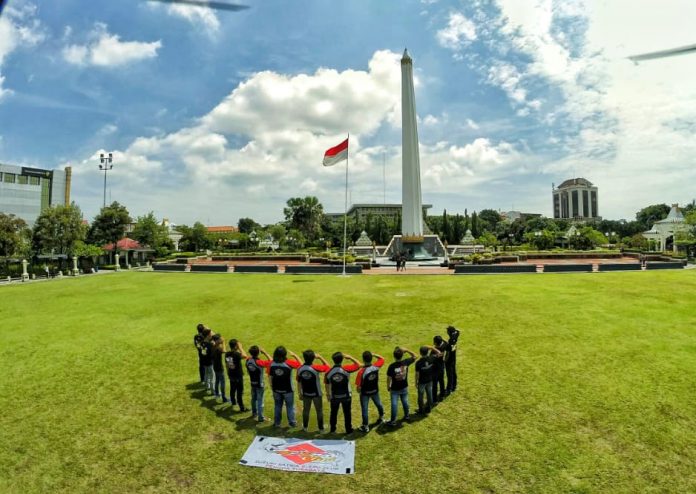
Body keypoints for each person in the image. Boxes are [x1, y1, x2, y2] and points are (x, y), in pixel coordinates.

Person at [324, 352, 361, 434]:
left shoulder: (328, 372)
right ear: (342, 360)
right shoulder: (346, 369)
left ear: (333, 360)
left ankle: (332, 430)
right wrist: (350, 357)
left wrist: (328, 395)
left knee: (333, 413)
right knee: (347, 413)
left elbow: (326, 384)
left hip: (334, 397)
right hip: (346, 396)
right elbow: (358, 365)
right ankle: (348, 430)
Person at [296, 350, 331, 432]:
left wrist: (299, 393)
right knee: (319, 411)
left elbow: (299, 382)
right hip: (316, 393)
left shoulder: (300, 369)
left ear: (304, 358)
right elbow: (328, 367)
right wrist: (320, 357)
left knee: (306, 410)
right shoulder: (316, 368)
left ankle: (304, 428)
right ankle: (321, 429)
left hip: (305, 393)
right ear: (313, 358)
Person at [269, 346, 302, 428]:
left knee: (277, 406)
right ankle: (292, 423)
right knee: (290, 406)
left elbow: (270, 377)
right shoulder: (289, 363)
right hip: (288, 390)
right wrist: (294, 355)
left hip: (276, 389)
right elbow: (301, 365)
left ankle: (277, 423)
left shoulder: (272, 363)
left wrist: (272, 388)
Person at [355, 350, 385, 432]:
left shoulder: (361, 372)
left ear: (363, 359)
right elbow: (382, 359)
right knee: (379, 404)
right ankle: (382, 417)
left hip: (365, 393)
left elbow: (358, 388)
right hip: (375, 391)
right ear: (371, 358)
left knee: (364, 409)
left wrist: (359, 391)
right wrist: (374, 354)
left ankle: (365, 426)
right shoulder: (376, 366)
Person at [386, 346, 417, 426]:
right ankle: (407, 416)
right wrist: (407, 350)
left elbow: (389, 378)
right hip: (404, 387)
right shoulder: (406, 362)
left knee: (394, 405)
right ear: (402, 355)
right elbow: (415, 356)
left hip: (395, 389)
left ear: (394, 356)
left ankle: (393, 421)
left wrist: (388, 386)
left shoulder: (391, 366)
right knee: (405, 402)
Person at [245, 345, 272, 423]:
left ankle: (254, 413)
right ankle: (260, 417)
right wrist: (265, 352)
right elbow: (271, 361)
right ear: (258, 353)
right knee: (260, 401)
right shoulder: (259, 362)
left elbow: (248, 371)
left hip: (252, 383)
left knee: (253, 399)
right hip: (259, 384)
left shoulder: (248, 360)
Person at [415, 345, 441, 414]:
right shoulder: (432, 358)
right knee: (429, 394)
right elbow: (439, 353)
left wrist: (416, 382)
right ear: (427, 352)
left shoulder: (418, 363)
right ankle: (429, 408)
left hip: (422, 381)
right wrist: (432, 348)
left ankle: (421, 410)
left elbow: (417, 374)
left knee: (420, 396)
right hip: (429, 380)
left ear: (420, 353)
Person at [225, 339, 247, 411]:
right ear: (235, 346)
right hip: (238, 375)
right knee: (239, 391)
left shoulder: (227, 354)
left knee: (232, 389)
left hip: (231, 374)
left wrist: (228, 373)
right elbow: (245, 356)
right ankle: (242, 407)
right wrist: (240, 348)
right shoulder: (236, 354)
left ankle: (233, 402)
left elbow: (227, 365)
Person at [211, 334, 229, 403]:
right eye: (220, 339)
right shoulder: (218, 348)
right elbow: (224, 351)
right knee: (222, 382)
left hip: (215, 366)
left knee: (217, 380)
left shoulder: (213, 346)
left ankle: (217, 394)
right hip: (219, 367)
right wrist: (224, 342)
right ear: (217, 340)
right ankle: (224, 397)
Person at [432, 335, 450, 402]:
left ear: (436, 343)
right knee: (441, 381)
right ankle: (442, 394)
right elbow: (446, 342)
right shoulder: (444, 345)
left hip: (435, 369)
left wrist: (433, 348)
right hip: (442, 366)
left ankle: (434, 398)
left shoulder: (435, 351)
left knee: (435, 384)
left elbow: (431, 358)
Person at [446, 325, 460, 393]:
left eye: (447, 330)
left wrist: (445, 360)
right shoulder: (456, 335)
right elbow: (458, 331)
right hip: (454, 357)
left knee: (450, 374)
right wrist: (454, 331)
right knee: (454, 372)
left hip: (450, 359)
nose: (447, 331)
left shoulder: (450, 341)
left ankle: (449, 388)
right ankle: (454, 386)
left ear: (449, 332)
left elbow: (448, 352)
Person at [200, 328, 215, 394]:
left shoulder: (202, 343)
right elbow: (212, 354)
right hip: (210, 362)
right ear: (208, 335)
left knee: (206, 374)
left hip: (204, 361)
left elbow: (203, 353)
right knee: (212, 377)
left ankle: (207, 386)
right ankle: (213, 390)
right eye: (210, 333)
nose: (211, 334)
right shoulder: (210, 345)